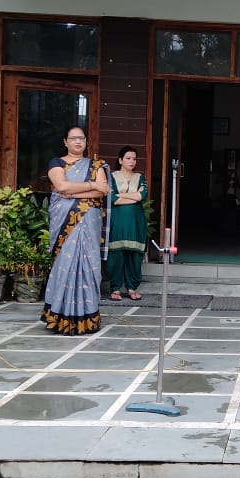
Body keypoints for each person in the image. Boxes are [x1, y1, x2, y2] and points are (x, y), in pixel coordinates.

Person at [41, 126, 111, 335]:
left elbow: (102, 192)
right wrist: (91, 185)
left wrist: (73, 193)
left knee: (89, 266)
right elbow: (62, 186)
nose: (78, 142)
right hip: (65, 224)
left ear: (86, 141)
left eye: (82, 138)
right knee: (65, 264)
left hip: (89, 222)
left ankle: (87, 317)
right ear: (65, 142)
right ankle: (60, 316)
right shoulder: (56, 163)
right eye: (73, 138)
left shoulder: (96, 165)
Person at [107, 146, 148, 301]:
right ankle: (115, 289)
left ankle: (132, 288)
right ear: (120, 160)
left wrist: (121, 195)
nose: (132, 161)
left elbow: (142, 196)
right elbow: (112, 198)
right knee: (116, 255)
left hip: (135, 222)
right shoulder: (112, 177)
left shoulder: (140, 177)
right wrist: (132, 196)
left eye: (134, 159)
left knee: (134, 255)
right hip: (117, 222)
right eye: (128, 158)